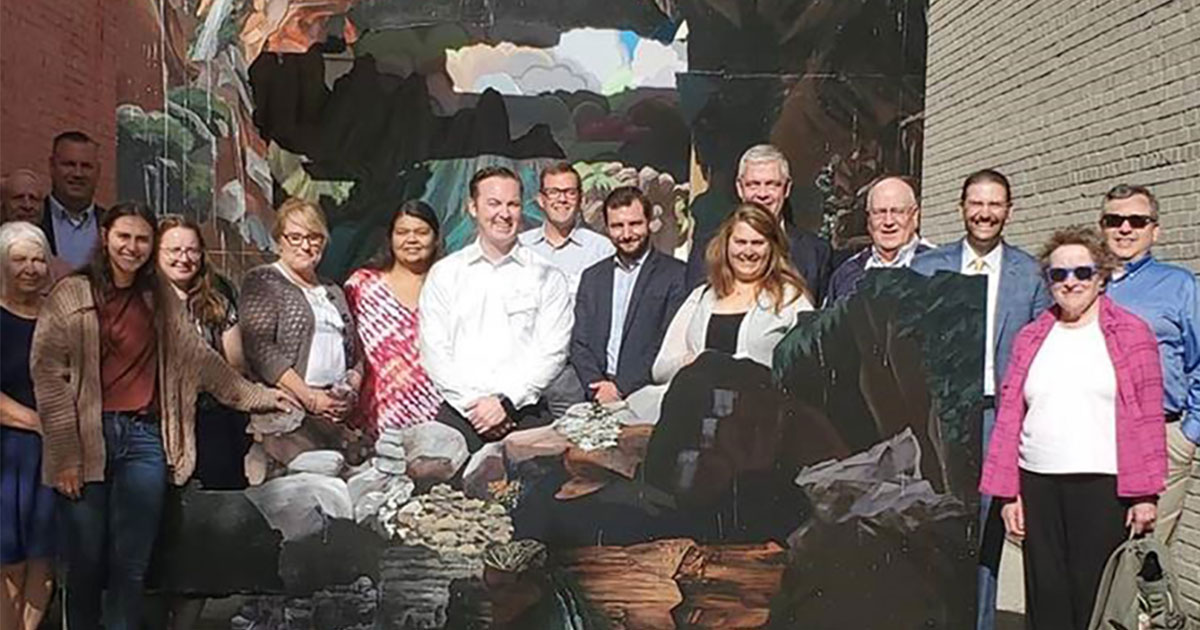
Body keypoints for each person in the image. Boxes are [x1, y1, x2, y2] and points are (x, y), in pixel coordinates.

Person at [30, 202, 294, 630]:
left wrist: (259, 397)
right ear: (105, 237)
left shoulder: (158, 298)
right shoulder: (72, 293)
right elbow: (48, 373)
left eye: (141, 239)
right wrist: (64, 454)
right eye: (124, 237)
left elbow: (201, 360)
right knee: (86, 563)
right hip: (87, 438)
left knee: (131, 565)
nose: (132, 247)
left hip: (145, 440)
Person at [980, 226, 1165, 630]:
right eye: (1058, 274)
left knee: (1095, 598)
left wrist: (1145, 495)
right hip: (1038, 483)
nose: (1070, 282)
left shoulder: (1132, 334)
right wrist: (1009, 493)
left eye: (1082, 272)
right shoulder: (1031, 337)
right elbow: (1011, 416)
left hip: (1104, 487)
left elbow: (1149, 417)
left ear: (1101, 277)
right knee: (1046, 596)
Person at [910, 169, 1050, 630]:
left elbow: (1038, 354)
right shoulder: (928, 268)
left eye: (994, 204)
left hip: (997, 418)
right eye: (976, 203)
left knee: (987, 538)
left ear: (1009, 210)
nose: (984, 213)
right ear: (961, 207)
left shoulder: (1030, 275)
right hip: (940, 419)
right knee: (936, 533)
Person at [420, 166, 572, 453]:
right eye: (494, 203)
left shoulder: (547, 275)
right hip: (462, 416)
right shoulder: (445, 274)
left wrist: (506, 402)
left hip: (525, 414)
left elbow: (553, 351)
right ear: (472, 207)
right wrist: (475, 407)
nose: (504, 213)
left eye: (512, 204)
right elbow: (434, 351)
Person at [628, 203, 814, 423]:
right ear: (726, 245)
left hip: (757, 421)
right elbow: (660, 369)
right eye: (740, 242)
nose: (748, 252)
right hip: (693, 415)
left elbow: (808, 371)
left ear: (772, 247)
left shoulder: (791, 299)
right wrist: (693, 363)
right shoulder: (702, 296)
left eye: (757, 243)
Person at [1099, 183, 1200, 544]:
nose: (1125, 228)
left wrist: (1188, 434)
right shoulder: (1083, 281)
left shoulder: (1179, 285)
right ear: (1102, 227)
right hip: (1093, 435)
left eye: (1137, 221)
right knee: (1093, 549)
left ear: (1154, 230)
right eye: (1115, 220)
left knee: (1143, 552)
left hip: (1158, 435)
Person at [240, 198, 363, 424]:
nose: (305, 246)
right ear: (279, 240)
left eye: (314, 237)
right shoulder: (264, 280)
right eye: (295, 237)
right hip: (287, 414)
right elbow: (259, 348)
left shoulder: (333, 289)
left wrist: (349, 391)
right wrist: (310, 398)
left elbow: (355, 352)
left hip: (334, 413)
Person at [157, 216, 250, 489]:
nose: (184, 258)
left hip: (213, 418)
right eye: (174, 250)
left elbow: (236, 364)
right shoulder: (142, 300)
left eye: (192, 250)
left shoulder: (219, 300)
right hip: (159, 423)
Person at [570, 186, 688, 404]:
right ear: (607, 228)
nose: (626, 234)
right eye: (617, 226)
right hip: (596, 393)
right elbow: (579, 341)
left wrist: (621, 387)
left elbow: (666, 340)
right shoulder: (593, 277)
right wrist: (597, 386)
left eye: (634, 224)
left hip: (647, 394)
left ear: (649, 223)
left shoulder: (675, 275)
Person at [344, 200, 443, 438]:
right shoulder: (362, 286)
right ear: (389, 238)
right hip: (372, 423)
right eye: (402, 232)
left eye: (421, 232)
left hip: (437, 423)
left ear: (436, 239)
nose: (411, 239)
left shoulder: (448, 288)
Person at [686, 144, 832, 304]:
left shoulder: (815, 252)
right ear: (740, 188)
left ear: (787, 188)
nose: (762, 194)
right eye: (753, 184)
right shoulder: (707, 249)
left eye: (772, 184)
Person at [0, 222, 55, 630]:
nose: (31, 268)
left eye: (38, 259)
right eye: (19, 259)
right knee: (8, 563)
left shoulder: (60, 317)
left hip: (55, 457)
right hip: (9, 455)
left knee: (45, 559)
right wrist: (40, 423)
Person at [825, 175, 930, 305]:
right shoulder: (846, 275)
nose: (888, 221)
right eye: (879, 212)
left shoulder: (941, 267)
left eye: (897, 211)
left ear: (914, 216)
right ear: (868, 219)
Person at [518, 161, 615, 296]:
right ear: (540, 200)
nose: (562, 199)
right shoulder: (521, 246)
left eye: (570, 192)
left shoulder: (601, 249)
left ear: (581, 200)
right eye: (553, 192)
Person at [40, 131, 103, 269]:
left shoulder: (110, 224)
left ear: (98, 171)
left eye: (86, 166)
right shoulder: (33, 220)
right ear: (51, 166)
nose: (78, 174)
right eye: (69, 164)